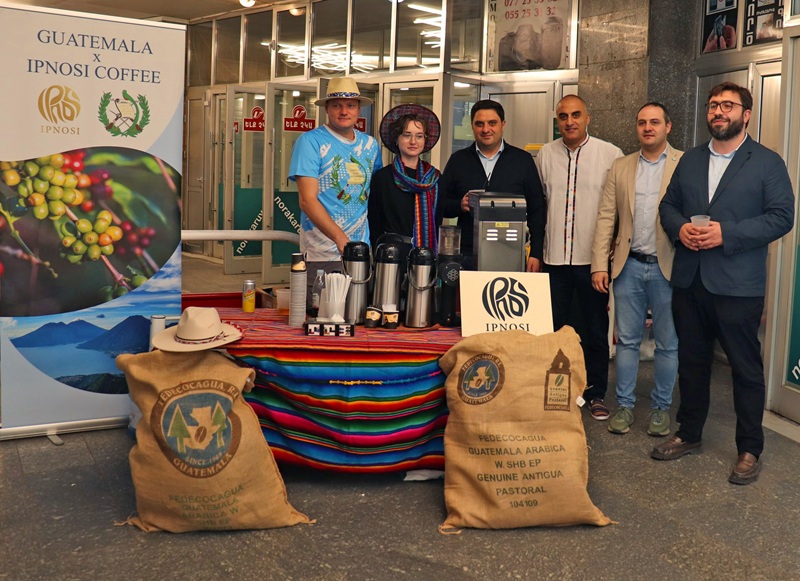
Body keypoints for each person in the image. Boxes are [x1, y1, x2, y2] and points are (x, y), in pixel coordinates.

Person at [653, 82, 794, 485]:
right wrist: (680, 228)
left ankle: (749, 448)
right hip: (690, 280)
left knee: (745, 369)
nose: (718, 111)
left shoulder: (767, 162)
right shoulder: (691, 159)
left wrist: (725, 233)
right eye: (714, 105)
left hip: (738, 286)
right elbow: (668, 205)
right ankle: (689, 432)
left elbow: (782, 217)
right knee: (692, 362)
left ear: (746, 115)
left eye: (728, 105)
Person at [591, 102, 683, 436]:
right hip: (628, 266)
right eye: (642, 122)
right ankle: (624, 406)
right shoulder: (622, 166)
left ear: (667, 127)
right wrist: (599, 265)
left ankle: (660, 409)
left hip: (668, 267)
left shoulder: (684, 164)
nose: (647, 128)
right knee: (627, 342)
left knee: (668, 344)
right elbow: (606, 217)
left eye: (654, 122)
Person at [537, 94, 623, 421]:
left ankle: (595, 393)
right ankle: (557, 392)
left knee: (594, 329)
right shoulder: (545, 155)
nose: (569, 121)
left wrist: (613, 247)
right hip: (554, 260)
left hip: (593, 262)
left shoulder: (610, 154)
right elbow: (540, 205)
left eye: (576, 115)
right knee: (554, 329)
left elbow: (619, 208)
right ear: (557, 121)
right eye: (563, 116)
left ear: (588, 118)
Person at [288, 77, 383, 298]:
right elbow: (307, 200)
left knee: (358, 313)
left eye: (350, 105)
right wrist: (340, 239)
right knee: (322, 314)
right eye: (336, 105)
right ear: (327, 109)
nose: (344, 111)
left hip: (361, 252)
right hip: (322, 254)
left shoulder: (370, 145)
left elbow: (373, 194)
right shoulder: (310, 142)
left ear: (359, 109)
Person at [439, 99, 545, 272]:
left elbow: (537, 210)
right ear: (472, 126)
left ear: (503, 124)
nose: (486, 129)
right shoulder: (458, 160)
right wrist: (459, 205)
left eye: (492, 123)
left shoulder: (522, 160)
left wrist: (536, 252)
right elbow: (440, 205)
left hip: (511, 253)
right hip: (467, 255)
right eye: (479, 124)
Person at [368, 103, 442, 251]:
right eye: (407, 135)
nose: (413, 141)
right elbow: (374, 223)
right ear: (396, 139)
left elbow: (438, 220)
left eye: (419, 136)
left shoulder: (435, 178)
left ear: (425, 140)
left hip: (426, 254)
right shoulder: (382, 178)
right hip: (390, 254)